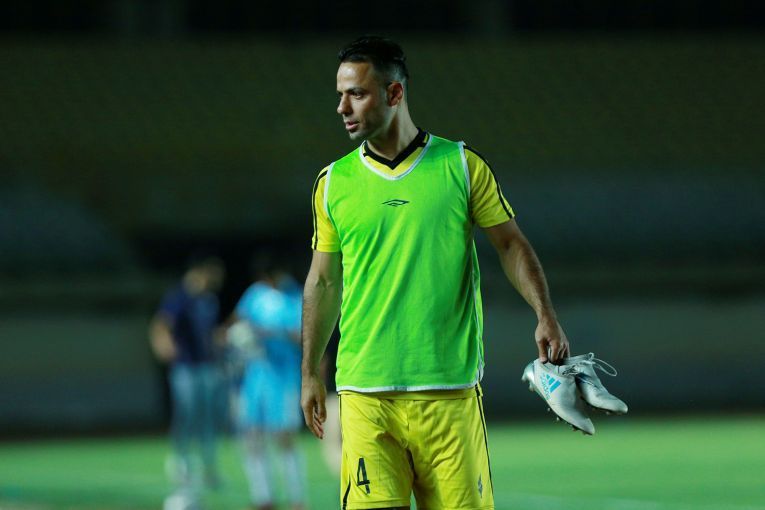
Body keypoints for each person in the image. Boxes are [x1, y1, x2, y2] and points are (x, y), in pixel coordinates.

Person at [300, 36, 571, 510]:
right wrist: (308, 373)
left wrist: (544, 313)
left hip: (450, 394)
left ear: (394, 93)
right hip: (365, 396)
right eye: (340, 95)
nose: (342, 107)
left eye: (356, 94)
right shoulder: (333, 183)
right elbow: (323, 281)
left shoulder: (461, 166)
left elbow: (511, 244)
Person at [229, 254, 306, 510]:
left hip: (283, 375)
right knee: (252, 434)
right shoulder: (255, 293)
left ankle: (296, 498)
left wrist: (270, 333)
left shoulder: (294, 296)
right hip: (256, 375)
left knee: (283, 436)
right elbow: (237, 320)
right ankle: (263, 498)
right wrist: (236, 334)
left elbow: (301, 334)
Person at [149, 254, 225, 491]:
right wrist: (163, 344)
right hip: (185, 367)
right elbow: (161, 324)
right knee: (186, 415)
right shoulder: (180, 297)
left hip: (206, 366)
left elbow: (210, 333)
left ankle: (209, 468)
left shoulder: (209, 300)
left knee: (207, 418)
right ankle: (180, 461)